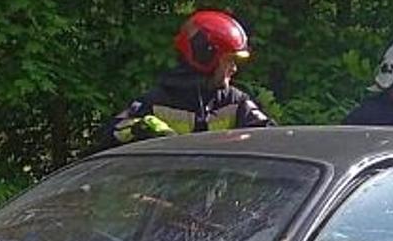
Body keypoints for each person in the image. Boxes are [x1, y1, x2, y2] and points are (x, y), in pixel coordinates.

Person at [106, 10, 275, 146]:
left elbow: (272, 137)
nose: (234, 69)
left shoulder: (235, 102)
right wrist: (141, 127)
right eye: (229, 60)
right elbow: (110, 135)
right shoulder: (157, 102)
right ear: (205, 55)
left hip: (217, 188)